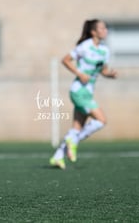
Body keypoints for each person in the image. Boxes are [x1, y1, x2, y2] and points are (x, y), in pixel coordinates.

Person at [49, 19, 117, 170]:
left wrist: (109, 75)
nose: (105, 30)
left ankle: (57, 157)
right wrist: (79, 73)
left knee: (76, 128)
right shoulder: (85, 47)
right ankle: (73, 141)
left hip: (88, 92)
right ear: (94, 32)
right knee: (101, 120)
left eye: (105, 28)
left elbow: (102, 70)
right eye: (102, 28)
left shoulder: (105, 50)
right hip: (79, 91)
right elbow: (65, 60)